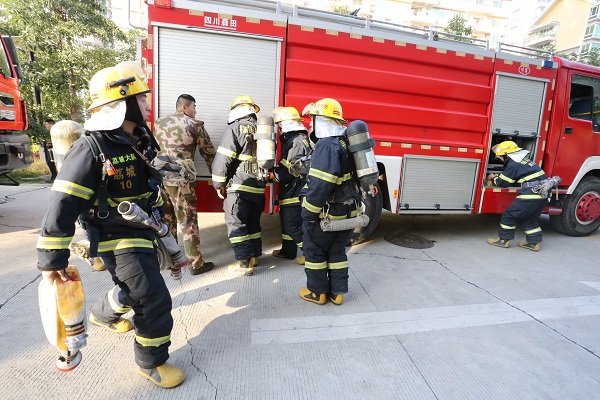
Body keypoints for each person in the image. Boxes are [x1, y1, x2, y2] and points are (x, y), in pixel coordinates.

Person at [36, 64, 185, 388]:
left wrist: (164, 223)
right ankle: (152, 361)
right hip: (115, 235)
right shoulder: (91, 147)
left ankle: (104, 314)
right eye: (141, 97)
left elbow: (150, 185)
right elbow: (63, 203)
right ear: (124, 100)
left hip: (144, 228)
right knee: (152, 297)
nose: (148, 102)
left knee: (137, 286)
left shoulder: (139, 138)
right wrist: (52, 262)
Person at [299, 98, 361, 305]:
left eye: (313, 120)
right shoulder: (346, 143)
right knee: (336, 251)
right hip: (349, 211)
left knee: (315, 250)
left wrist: (308, 213)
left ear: (322, 121)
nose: (310, 124)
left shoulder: (326, 146)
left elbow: (320, 186)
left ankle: (317, 293)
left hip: (328, 214)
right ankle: (338, 292)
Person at [154, 94, 216, 275]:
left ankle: (172, 259)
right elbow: (209, 153)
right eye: (194, 107)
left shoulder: (158, 123)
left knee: (167, 220)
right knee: (187, 220)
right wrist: (217, 177)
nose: (195, 111)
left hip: (161, 179)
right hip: (182, 181)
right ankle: (195, 263)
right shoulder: (195, 125)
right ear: (184, 107)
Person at [212, 95, 265, 276]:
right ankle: (255, 256)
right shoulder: (263, 129)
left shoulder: (235, 127)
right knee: (253, 222)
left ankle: (244, 264)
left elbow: (223, 158)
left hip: (240, 185)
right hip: (258, 186)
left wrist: (218, 183)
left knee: (236, 222)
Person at [487, 140, 548, 252]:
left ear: (506, 155)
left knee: (509, 215)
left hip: (531, 193)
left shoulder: (513, 163)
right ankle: (534, 243)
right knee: (529, 218)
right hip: (543, 192)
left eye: (500, 157)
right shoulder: (523, 160)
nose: (500, 159)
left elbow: (503, 183)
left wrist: (492, 177)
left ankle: (503, 240)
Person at [271, 106, 312, 265]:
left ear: (287, 123)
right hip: (291, 189)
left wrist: (274, 174)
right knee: (287, 222)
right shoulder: (294, 139)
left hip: (295, 189)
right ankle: (288, 251)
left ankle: (310, 255)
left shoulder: (296, 141)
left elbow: (291, 169)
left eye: (280, 125)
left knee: (292, 224)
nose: (279, 128)